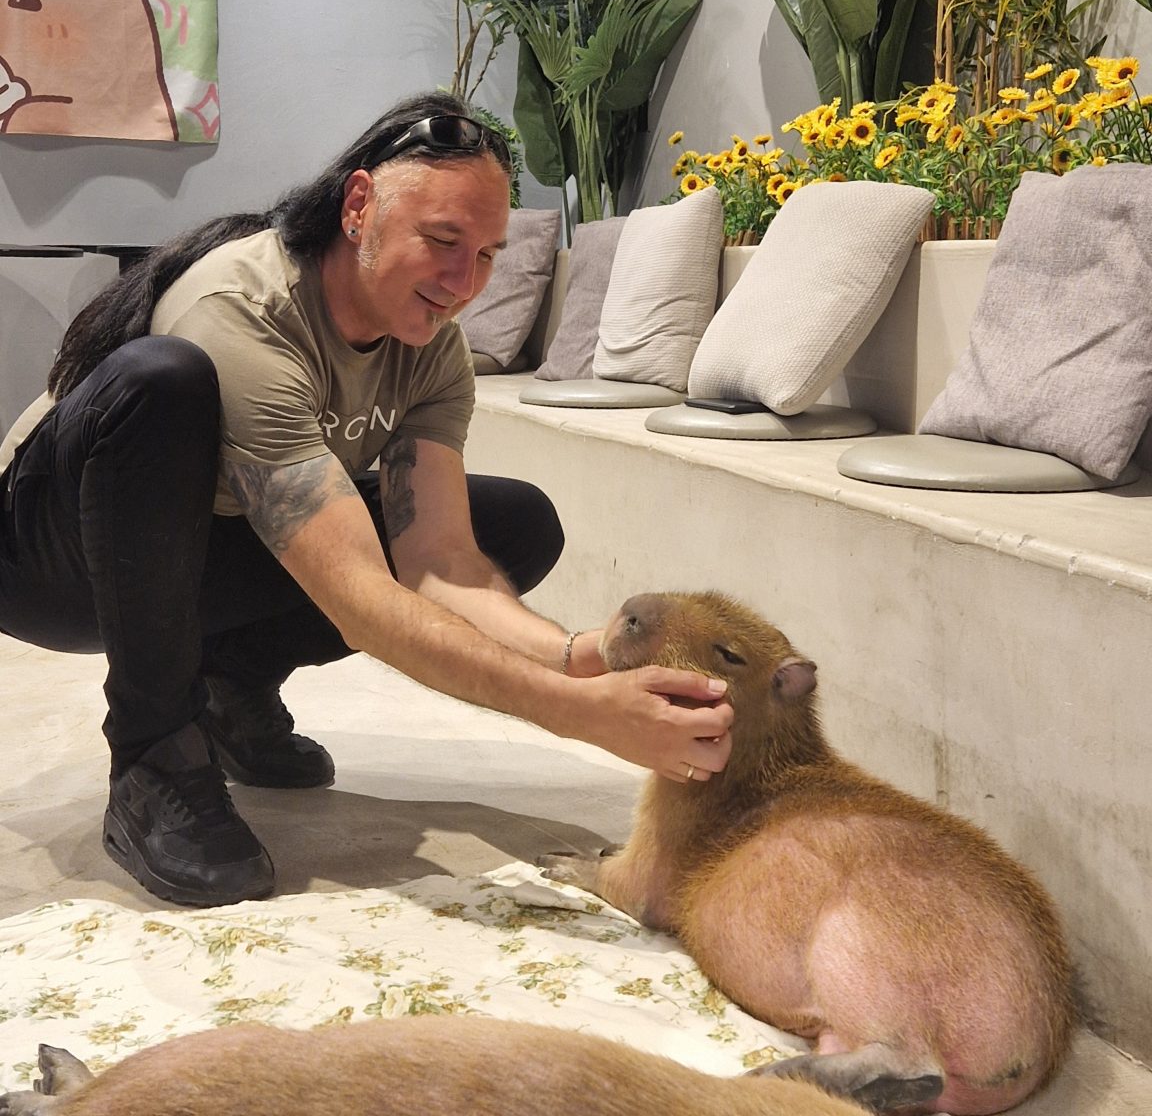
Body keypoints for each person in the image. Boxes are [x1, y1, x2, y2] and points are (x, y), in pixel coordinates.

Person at [0, 91, 733, 908]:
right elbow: (357, 596)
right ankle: (153, 759)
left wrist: (576, 657)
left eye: (487, 255)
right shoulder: (243, 310)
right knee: (161, 380)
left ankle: (230, 684)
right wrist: (578, 712)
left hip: (198, 549)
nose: (463, 283)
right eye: (443, 242)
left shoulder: (431, 350)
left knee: (514, 522)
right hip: (57, 562)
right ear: (358, 208)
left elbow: (440, 562)